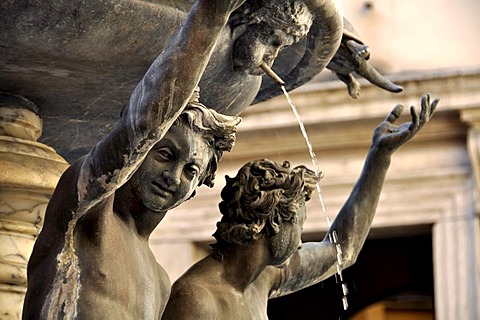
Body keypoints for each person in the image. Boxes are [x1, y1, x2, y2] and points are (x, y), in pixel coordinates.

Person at [22, 1, 244, 319]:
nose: (172, 175)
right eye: (164, 155)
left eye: (190, 170)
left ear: (195, 189)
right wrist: (210, 16)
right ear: (140, 153)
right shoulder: (90, 213)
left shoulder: (160, 279)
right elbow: (142, 126)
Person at [162, 93, 439, 320]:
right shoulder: (195, 299)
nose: (300, 240)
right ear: (270, 223)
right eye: (298, 224)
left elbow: (343, 249)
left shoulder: (263, 277)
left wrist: (380, 157)